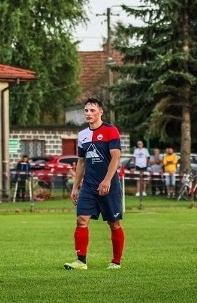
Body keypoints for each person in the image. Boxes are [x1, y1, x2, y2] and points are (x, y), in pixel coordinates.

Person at [65, 97, 124, 270]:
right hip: (89, 186)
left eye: (92, 110)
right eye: (86, 111)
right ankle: (81, 262)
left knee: (114, 224)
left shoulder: (111, 131)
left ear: (100, 112)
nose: (88, 113)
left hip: (109, 185)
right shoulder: (82, 135)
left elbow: (116, 157)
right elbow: (81, 162)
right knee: (81, 220)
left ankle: (116, 261)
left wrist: (106, 181)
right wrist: (75, 187)